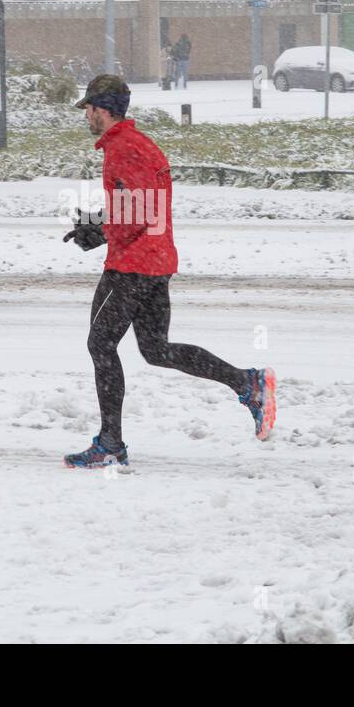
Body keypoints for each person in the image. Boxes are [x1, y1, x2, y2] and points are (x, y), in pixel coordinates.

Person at [61, 74, 275, 469]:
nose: (86, 116)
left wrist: (100, 231)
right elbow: (142, 203)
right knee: (156, 350)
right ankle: (246, 383)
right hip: (155, 261)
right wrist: (101, 221)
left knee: (100, 345)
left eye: (89, 108)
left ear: (103, 109)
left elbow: (137, 212)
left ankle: (110, 444)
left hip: (131, 265)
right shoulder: (139, 144)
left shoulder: (122, 148)